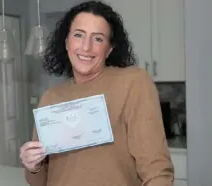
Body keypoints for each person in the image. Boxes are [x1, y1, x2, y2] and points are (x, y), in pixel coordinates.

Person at [19, 1, 174, 186]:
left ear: (109, 49)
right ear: (66, 42)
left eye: (98, 38)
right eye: (78, 35)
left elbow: (156, 168)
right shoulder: (51, 98)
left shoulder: (133, 83)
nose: (86, 47)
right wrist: (32, 164)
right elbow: (39, 181)